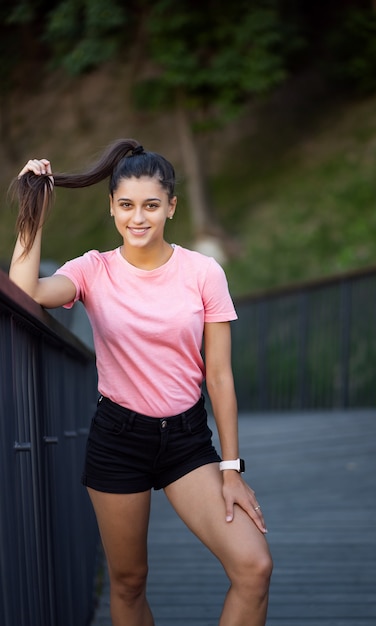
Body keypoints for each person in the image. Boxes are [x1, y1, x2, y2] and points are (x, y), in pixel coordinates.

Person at [9, 139, 273, 626]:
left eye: (151, 205)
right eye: (126, 205)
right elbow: (26, 293)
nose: (138, 217)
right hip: (118, 439)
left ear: (171, 206)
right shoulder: (93, 269)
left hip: (187, 442)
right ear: (111, 207)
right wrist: (33, 212)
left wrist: (231, 469)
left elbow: (219, 376)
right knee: (129, 582)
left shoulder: (202, 273)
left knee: (254, 566)